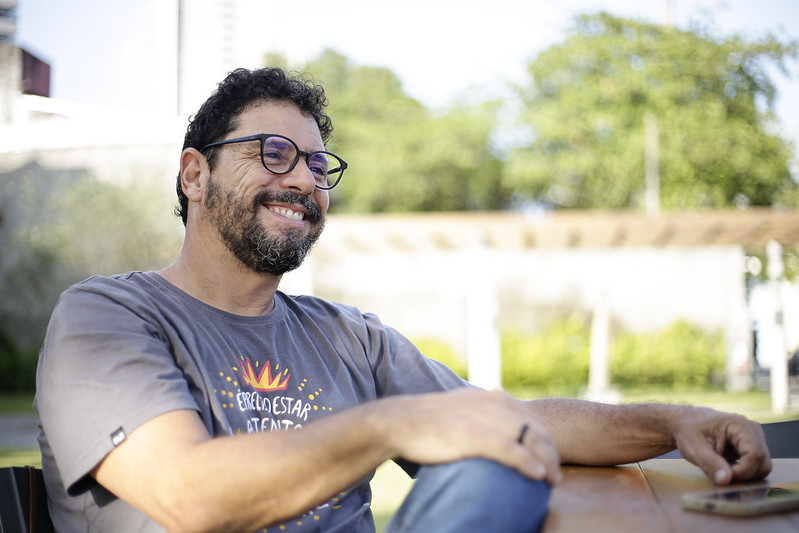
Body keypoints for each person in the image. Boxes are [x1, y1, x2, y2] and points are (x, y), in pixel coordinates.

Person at [35, 67, 772, 533]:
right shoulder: (104, 317)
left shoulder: (346, 337)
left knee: (498, 453)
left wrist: (677, 420)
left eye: (319, 165)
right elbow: (190, 496)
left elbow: (508, 419)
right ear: (194, 176)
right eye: (273, 153)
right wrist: (394, 421)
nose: (303, 180)